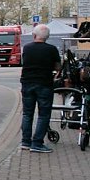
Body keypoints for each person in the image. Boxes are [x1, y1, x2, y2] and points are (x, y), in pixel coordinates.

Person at [20, 24, 61, 153]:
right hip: (44, 84)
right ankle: (37, 143)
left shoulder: (27, 48)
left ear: (34, 35)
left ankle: (25, 142)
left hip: (27, 83)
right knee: (43, 114)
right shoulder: (52, 49)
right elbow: (58, 67)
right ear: (47, 37)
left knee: (27, 113)